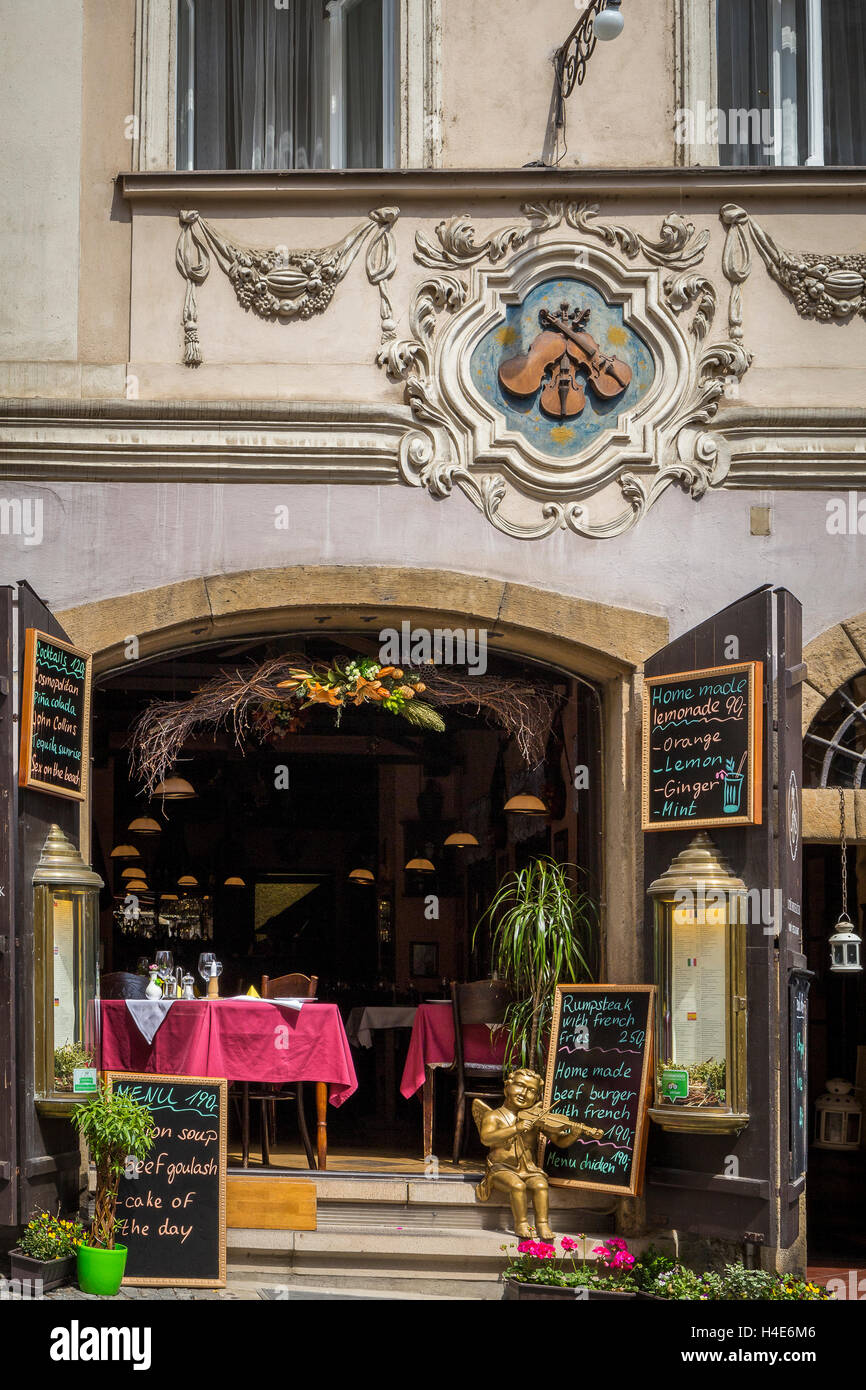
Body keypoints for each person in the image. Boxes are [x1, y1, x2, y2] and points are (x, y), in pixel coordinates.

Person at [473, 1067, 602, 1240]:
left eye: (531, 1091)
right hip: (500, 1168)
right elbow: (486, 1138)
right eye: (520, 1086)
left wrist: (573, 1134)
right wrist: (516, 1128)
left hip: (528, 1169)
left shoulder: (535, 1119)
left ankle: (542, 1223)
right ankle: (521, 1223)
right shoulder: (493, 1116)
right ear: (507, 1087)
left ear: (536, 1097)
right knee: (517, 1186)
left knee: (541, 1185)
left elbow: (559, 1141)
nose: (524, 1093)